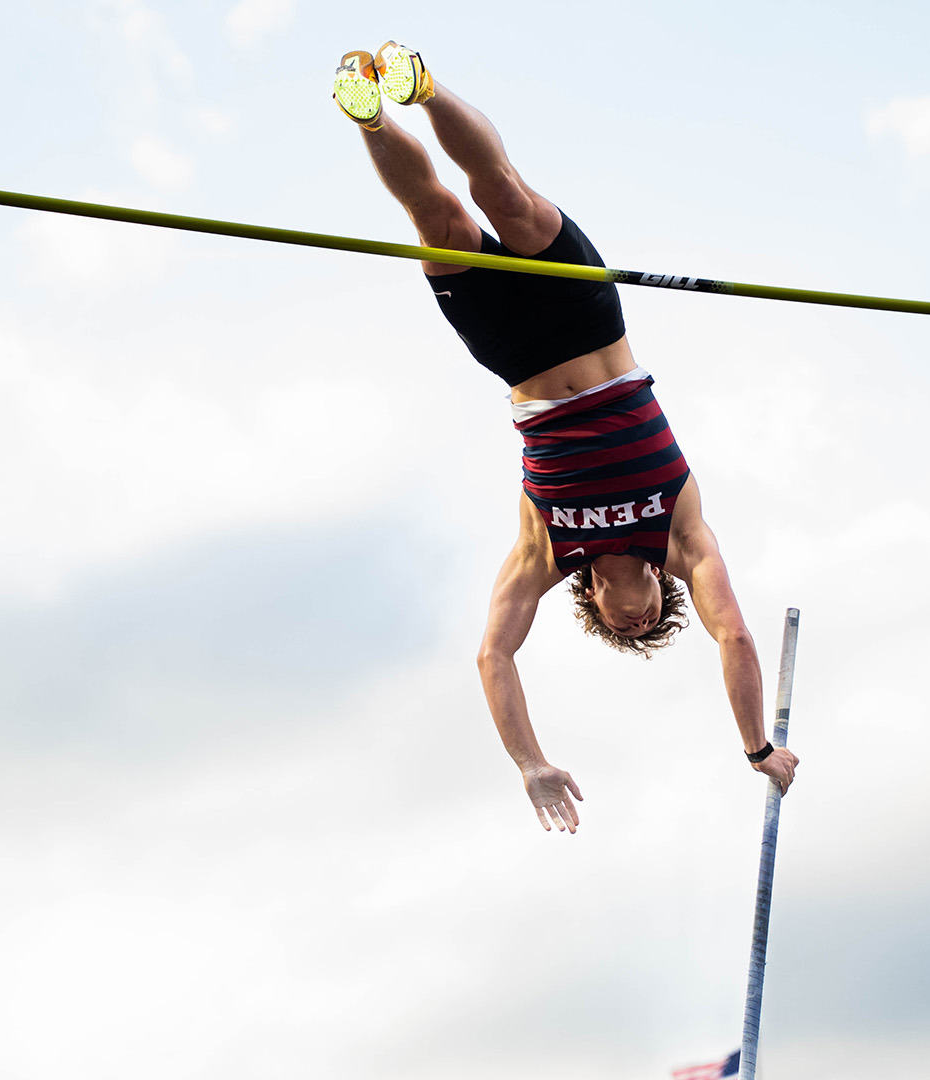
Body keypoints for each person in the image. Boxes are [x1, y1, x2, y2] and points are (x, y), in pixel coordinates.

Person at [333, 42, 799, 833]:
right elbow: (736, 635)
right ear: (660, 595)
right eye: (649, 621)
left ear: (594, 605)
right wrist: (757, 749)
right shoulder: (684, 542)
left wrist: (530, 762)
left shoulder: (547, 556)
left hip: (517, 363)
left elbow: (493, 656)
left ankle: (369, 112)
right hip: (589, 327)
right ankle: (423, 87)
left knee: (440, 219)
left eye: (623, 630)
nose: (634, 621)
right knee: (509, 199)